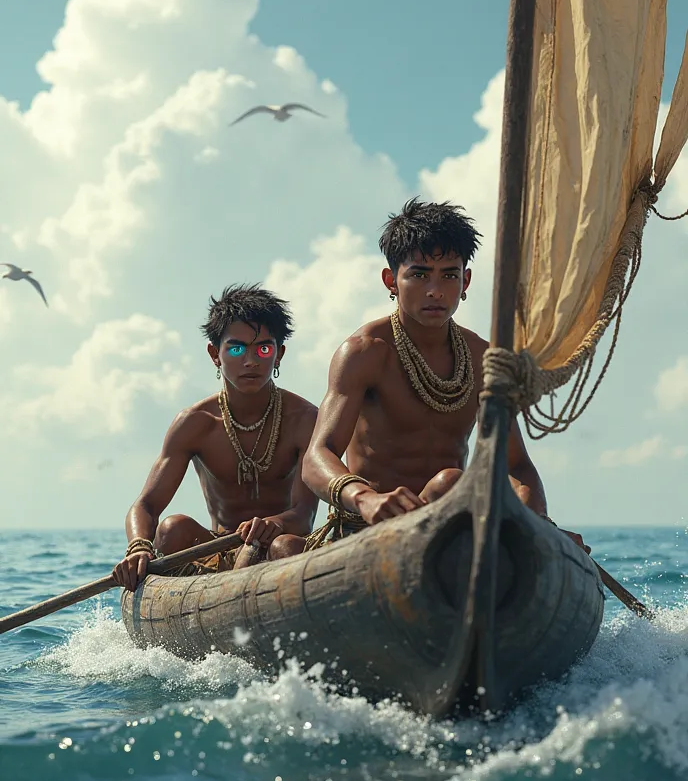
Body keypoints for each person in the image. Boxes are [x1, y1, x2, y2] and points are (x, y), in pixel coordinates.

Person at [273, 197, 585, 555]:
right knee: (285, 548)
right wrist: (364, 499)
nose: (435, 290)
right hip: (366, 531)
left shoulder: (484, 358)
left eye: (449, 275)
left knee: (451, 484)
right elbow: (317, 456)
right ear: (391, 280)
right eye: (419, 275)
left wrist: (538, 525)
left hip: (452, 523)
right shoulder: (365, 352)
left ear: (465, 281)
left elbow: (516, 466)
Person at [112, 284, 318, 591]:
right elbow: (146, 505)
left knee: (286, 545)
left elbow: (304, 514)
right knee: (172, 528)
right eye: (236, 349)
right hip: (216, 552)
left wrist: (272, 524)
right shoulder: (195, 423)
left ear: (279, 354)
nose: (251, 360)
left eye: (263, 348)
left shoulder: (304, 419)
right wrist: (139, 547)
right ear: (214, 354)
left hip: (279, 549)